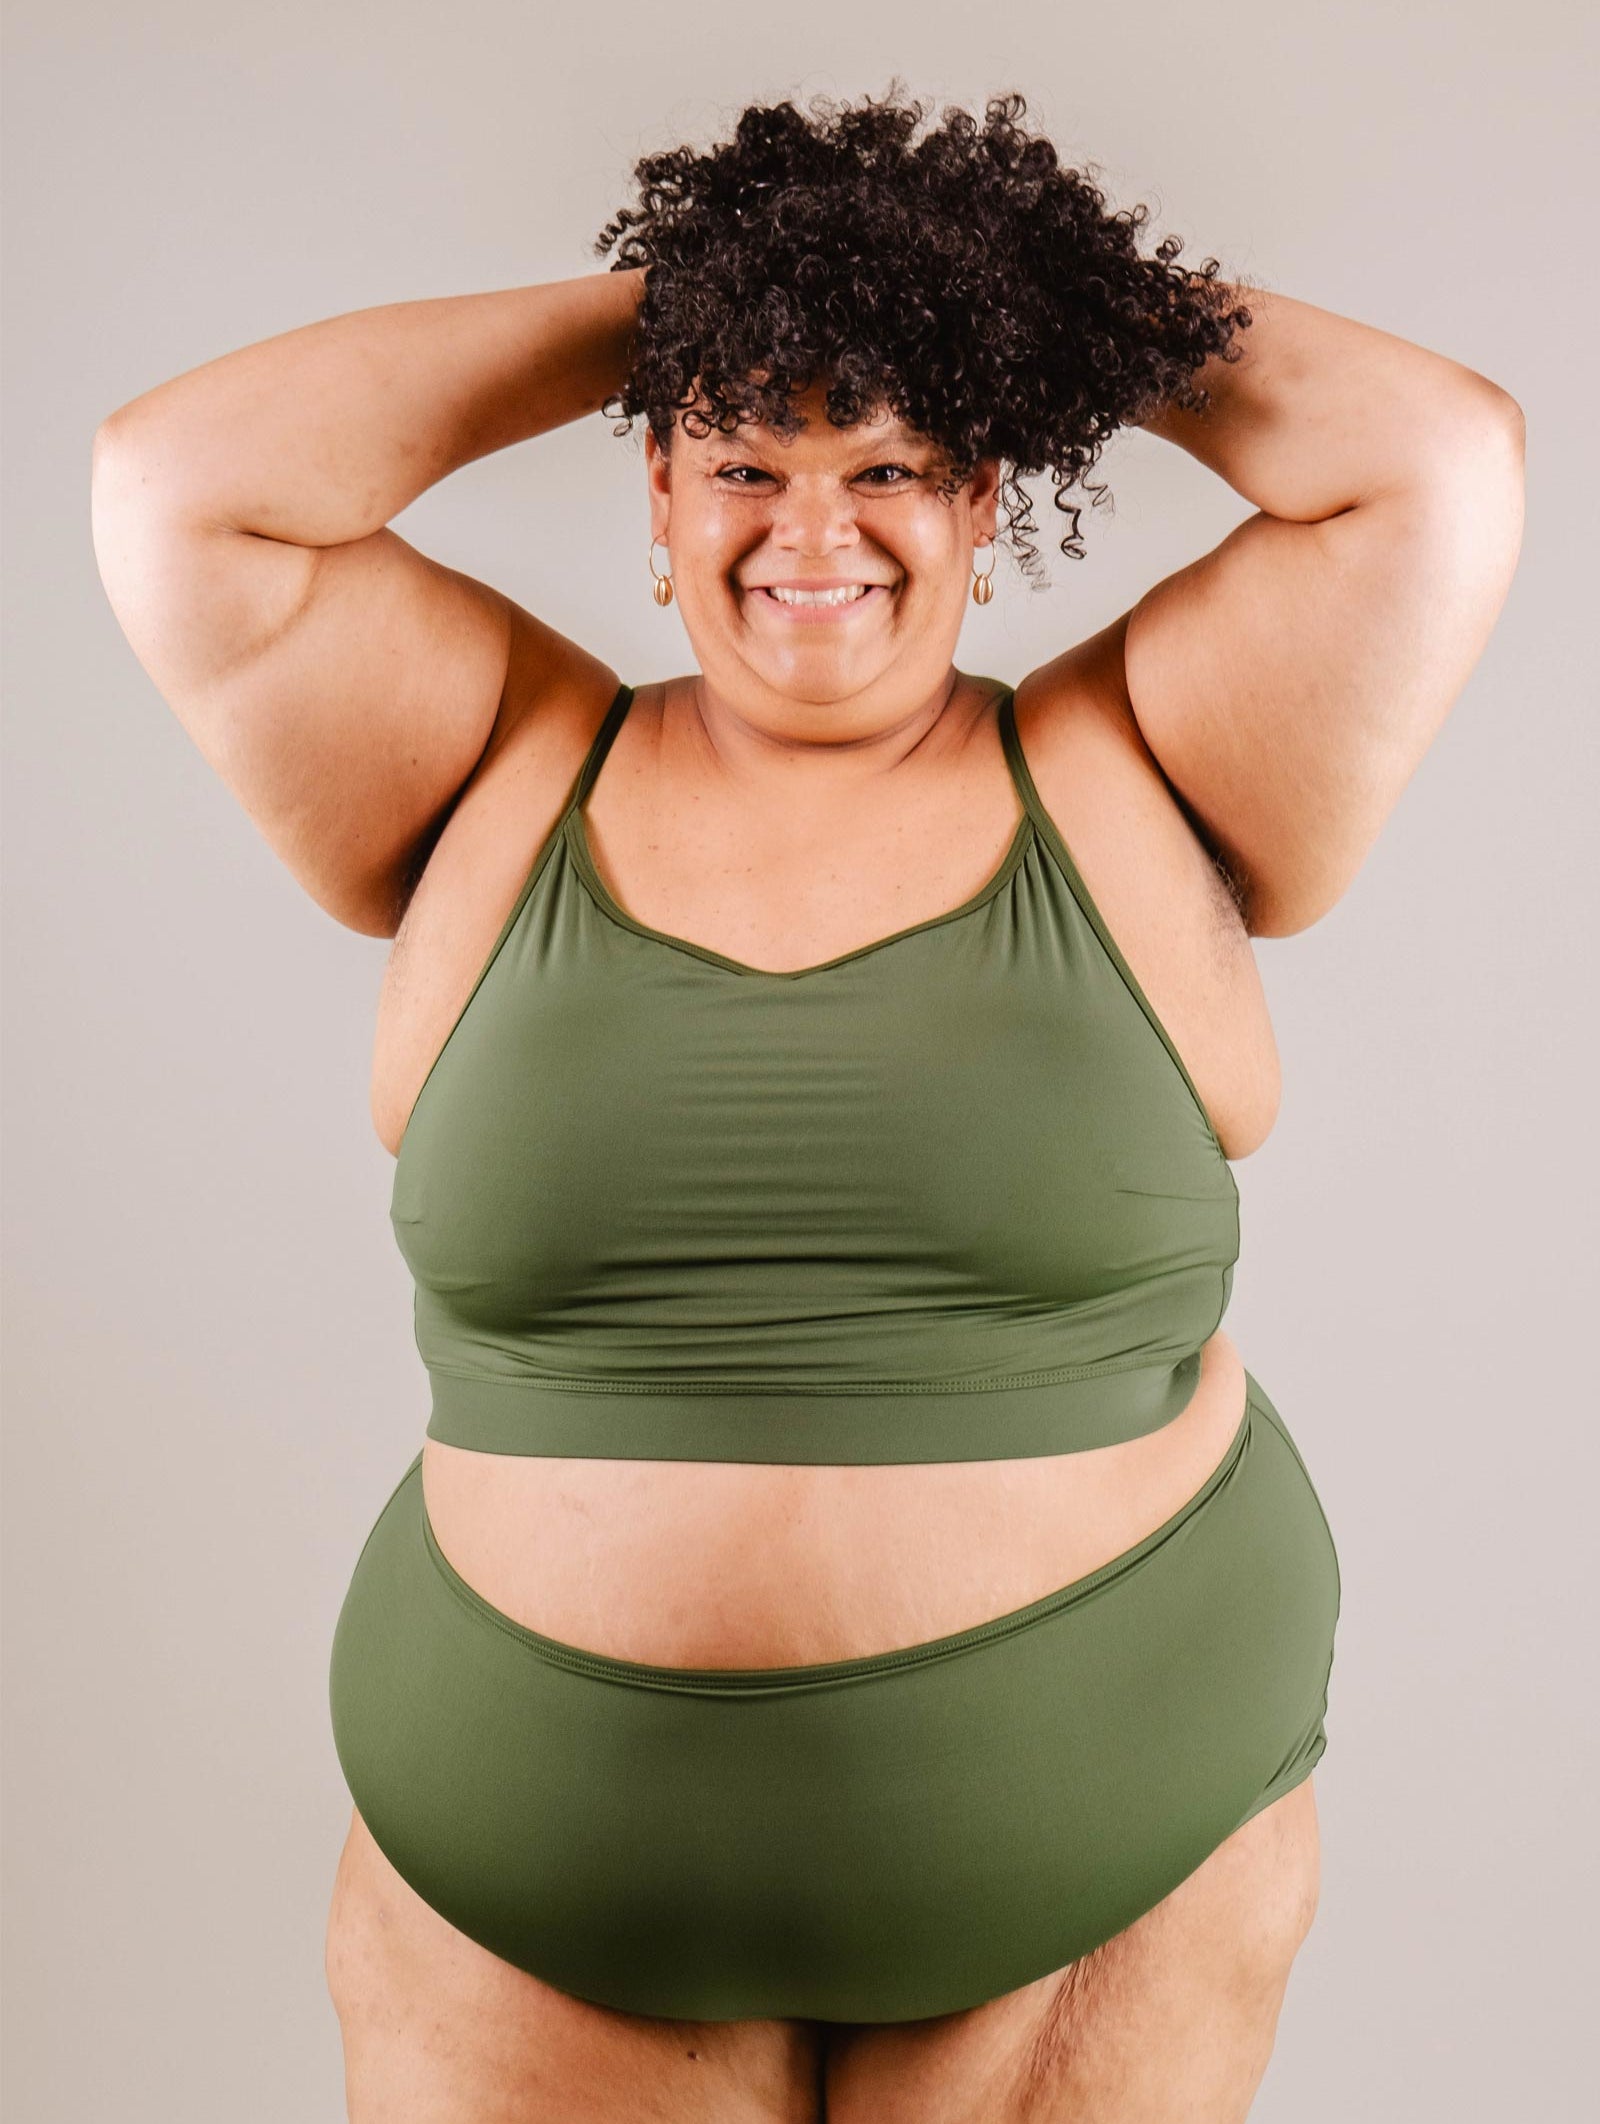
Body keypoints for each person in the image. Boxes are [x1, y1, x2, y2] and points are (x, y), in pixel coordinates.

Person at [90, 85, 1524, 2124]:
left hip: (1099, 1838)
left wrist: (1008, 296)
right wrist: (694, 300)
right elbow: (177, 487)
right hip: (530, 1890)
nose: (814, 532)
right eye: (744, 460)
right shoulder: (499, 761)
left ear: (983, 493)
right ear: (658, 494)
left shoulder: (1132, 764)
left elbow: (1436, 464)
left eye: (892, 463)